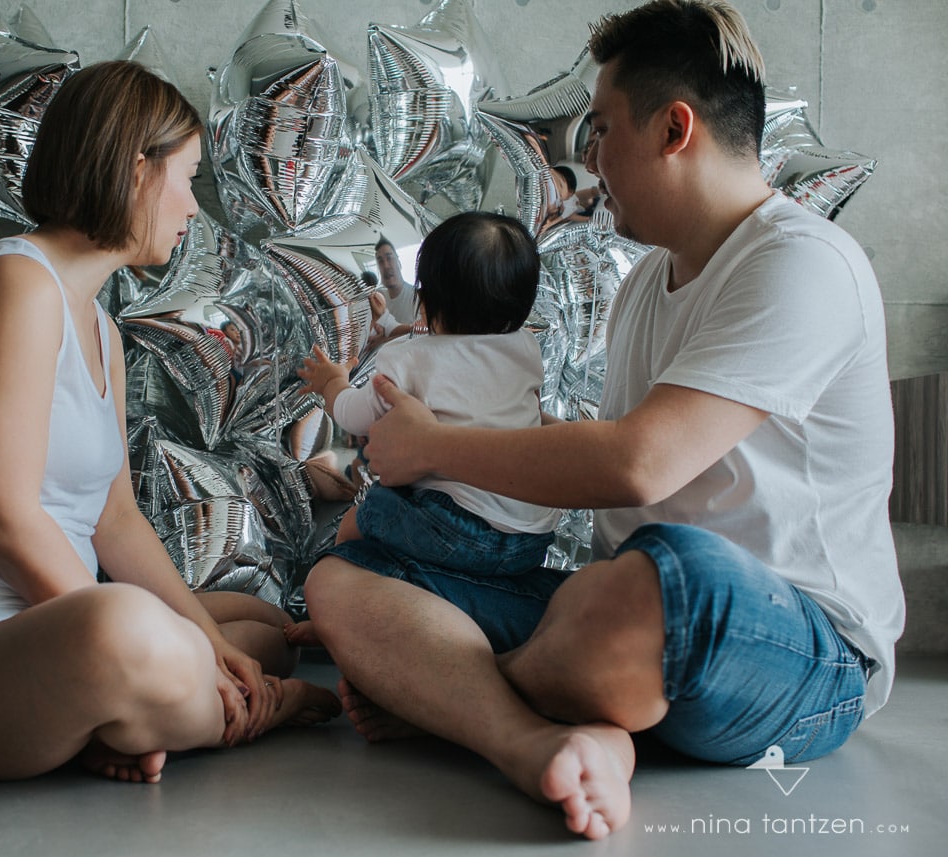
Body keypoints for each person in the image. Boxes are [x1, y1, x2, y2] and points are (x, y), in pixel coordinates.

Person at [301, 0, 904, 841]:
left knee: (665, 579)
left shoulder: (801, 262)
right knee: (343, 578)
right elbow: (596, 471)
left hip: (788, 643)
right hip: (608, 617)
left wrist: (435, 445)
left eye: (603, 130)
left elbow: (638, 464)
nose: (591, 163)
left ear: (673, 129)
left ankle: (461, 693)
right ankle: (535, 735)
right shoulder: (642, 288)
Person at [0, 61, 339, 784]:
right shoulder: (16, 285)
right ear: (137, 169)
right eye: (188, 177)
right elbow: (2, 517)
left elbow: (117, 523)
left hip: (42, 638)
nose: (194, 207)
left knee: (260, 628)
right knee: (126, 629)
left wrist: (204, 638)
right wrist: (164, 645)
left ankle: (139, 708)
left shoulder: (100, 326)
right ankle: (252, 705)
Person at [289, 212, 561, 650]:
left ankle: (329, 613)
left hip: (455, 527)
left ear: (426, 298)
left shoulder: (408, 358)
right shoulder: (526, 350)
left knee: (364, 519)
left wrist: (332, 382)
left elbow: (355, 415)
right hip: (530, 538)